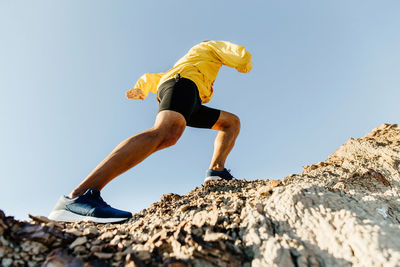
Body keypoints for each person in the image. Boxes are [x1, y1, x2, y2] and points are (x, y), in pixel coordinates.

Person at [48, 40, 252, 223]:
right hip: (183, 86)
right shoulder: (207, 47)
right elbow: (236, 52)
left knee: (230, 123)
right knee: (165, 132)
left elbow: (153, 78)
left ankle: (216, 171)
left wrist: (141, 89)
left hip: (190, 96)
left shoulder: (182, 67)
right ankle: (78, 197)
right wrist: (245, 63)